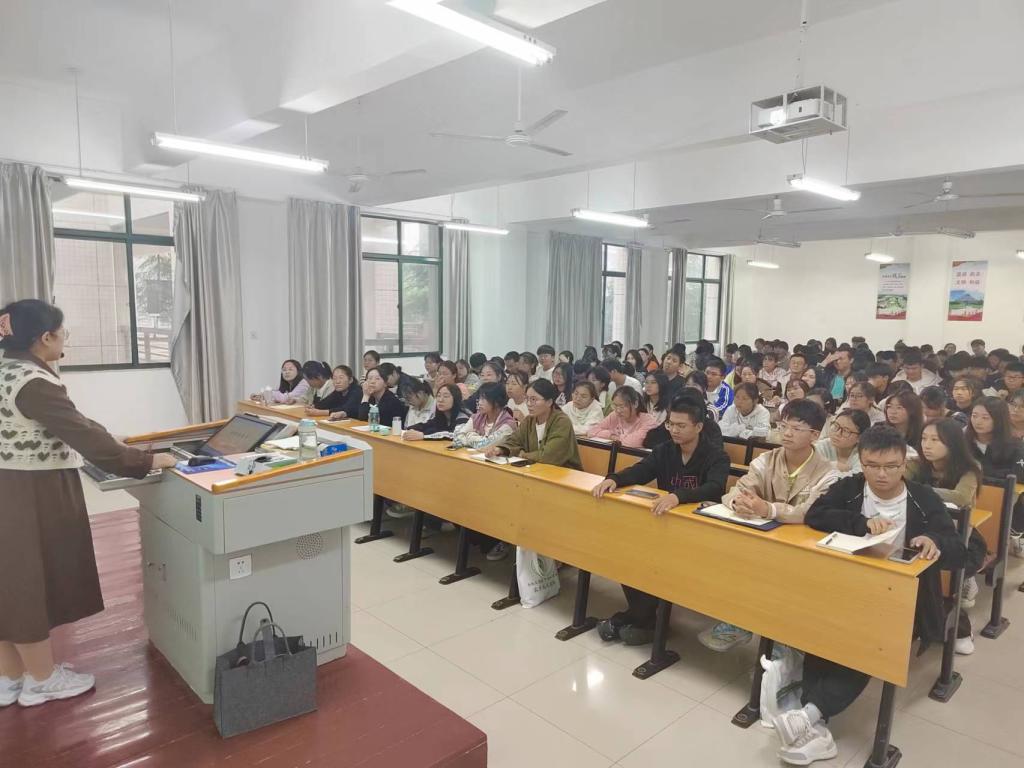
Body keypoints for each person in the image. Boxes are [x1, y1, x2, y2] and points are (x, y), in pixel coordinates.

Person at [0, 300, 179, 707]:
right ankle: (42, 680)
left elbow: (68, 422)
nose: (65, 339)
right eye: (63, 332)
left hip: (8, 485)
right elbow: (77, 431)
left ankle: (10, 678)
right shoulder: (33, 381)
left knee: (8, 581)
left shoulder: (6, 369)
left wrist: (111, 438)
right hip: (30, 492)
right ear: (45, 337)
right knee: (29, 582)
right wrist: (146, 461)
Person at [772, 425, 965, 766]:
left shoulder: (923, 498)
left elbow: (959, 550)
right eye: (873, 466)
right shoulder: (850, 488)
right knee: (821, 633)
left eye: (891, 466)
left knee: (868, 646)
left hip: (903, 598)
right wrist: (861, 523)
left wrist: (934, 540)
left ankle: (809, 714)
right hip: (847, 587)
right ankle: (813, 722)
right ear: (861, 462)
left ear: (904, 464)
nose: (882, 474)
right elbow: (817, 515)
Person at [700, 400, 839, 652]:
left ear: (815, 435)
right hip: (763, 538)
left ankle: (786, 643)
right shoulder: (766, 460)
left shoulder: (828, 472)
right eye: (783, 426)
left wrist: (768, 509)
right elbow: (739, 489)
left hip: (802, 546)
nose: (787, 433)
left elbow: (810, 512)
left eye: (796, 428)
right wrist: (739, 503)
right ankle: (739, 621)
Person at [591, 397, 730, 646]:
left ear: (698, 427)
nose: (674, 430)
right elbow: (642, 470)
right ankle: (644, 619)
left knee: (654, 562)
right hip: (665, 523)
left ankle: (641, 620)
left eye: (681, 425)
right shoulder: (665, 450)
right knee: (627, 555)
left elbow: (714, 487)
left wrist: (679, 496)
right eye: (670, 424)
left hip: (698, 531)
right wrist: (614, 479)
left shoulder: (716, 455)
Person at [909, 417, 986, 644]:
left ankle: (958, 626)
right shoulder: (917, 464)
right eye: (924, 438)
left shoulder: (969, 469)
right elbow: (899, 482)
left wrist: (921, 491)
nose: (927, 445)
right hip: (922, 530)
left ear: (952, 443)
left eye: (935, 440)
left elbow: (960, 497)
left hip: (959, 535)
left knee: (936, 571)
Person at [485, 379, 583, 469]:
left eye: (533, 399)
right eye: (527, 399)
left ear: (549, 402)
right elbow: (514, 440)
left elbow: (549, 456)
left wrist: (522, 455)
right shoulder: (529, 420)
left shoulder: (561, 422)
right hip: (536, 469)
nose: (528, 403)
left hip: (563, 473)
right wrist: (499, 449)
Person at [587, 386, 656, 448]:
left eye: (622, 406)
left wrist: (616, 437)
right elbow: (591, 432)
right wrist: (611, 435)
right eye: (615, 405)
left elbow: (631, 443)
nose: (618, 410)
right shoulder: (614, 415)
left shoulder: (648, 420)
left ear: (635, 404)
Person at [402, 384, 470, 441]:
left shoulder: (463, 418)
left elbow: (453, 435)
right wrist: (407, 430)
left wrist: (423, 436)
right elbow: (425, 425)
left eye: (446, 396)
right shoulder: (441, 416)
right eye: (438, 396)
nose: (440, 400)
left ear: (455, 399)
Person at [815, 409, 871, 477]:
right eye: (836, 426)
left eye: (846, 431)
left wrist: (825, 468)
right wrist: (834, 465)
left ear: (860, 437)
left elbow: (856, 479)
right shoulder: (822, 446)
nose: (837, 433)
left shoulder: (864, 455)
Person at [884, 389, 924, 454]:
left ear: (913, 410)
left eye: (899, 407)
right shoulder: (880, 430)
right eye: (889, 406)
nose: (893, 412)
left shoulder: (923, 433)